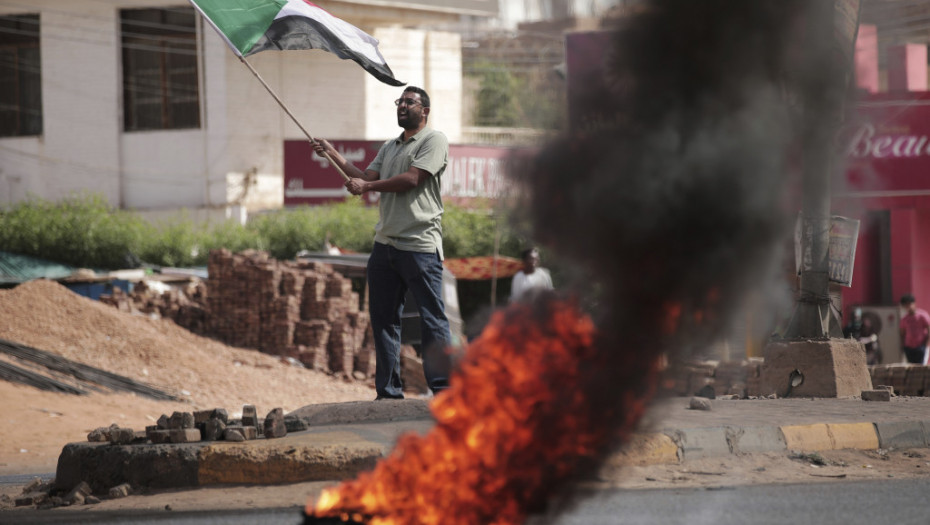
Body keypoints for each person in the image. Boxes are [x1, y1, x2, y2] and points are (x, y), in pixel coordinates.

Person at [312, 86, 451, 400]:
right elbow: (363, 175)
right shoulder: (389, 147)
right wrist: (331, 153)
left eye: (409, 101)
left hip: (419, 245)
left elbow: (412, 180)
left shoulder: (434, 140)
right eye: (399, 101)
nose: (402, 105)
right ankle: (388, 392)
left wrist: (367, 185)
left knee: (432, 319)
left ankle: (443, 391)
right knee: (384, 321)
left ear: (424, 111)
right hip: (385, 245)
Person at [899, 294, 930, 365]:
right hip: (909, 348)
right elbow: (902, 334)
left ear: (914, 303)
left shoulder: (922, 316)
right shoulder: (904, 319)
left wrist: (926, 345)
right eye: (906, 305)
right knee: (911, 368)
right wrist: (903, 346)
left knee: (921, 367)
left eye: (909, 304)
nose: (908, 307)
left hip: (921, 347)